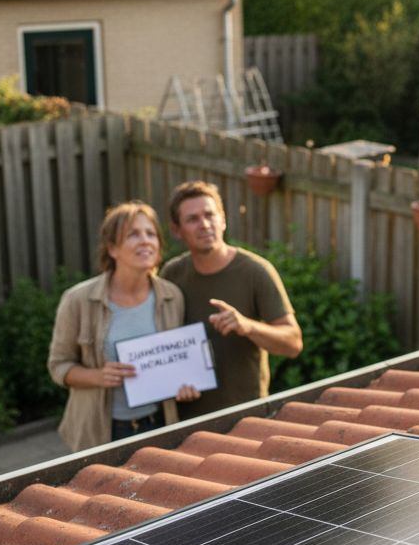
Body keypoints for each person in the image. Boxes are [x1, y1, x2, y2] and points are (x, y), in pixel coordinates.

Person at [48, 201, 200, 452]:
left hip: (159, 423)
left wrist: (184, 383)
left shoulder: (172, 296)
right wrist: (98, 376)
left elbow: (175, 360)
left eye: (150, 234)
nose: (145, 241)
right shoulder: (78, 300)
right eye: (133, 234)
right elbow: (58, 366)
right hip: (102, 431)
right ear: (112, 249)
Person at [161, 181, 302, 418]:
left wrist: (248, 326)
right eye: (193, 219)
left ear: (223, 220)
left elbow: (293, 343)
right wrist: (173, 381)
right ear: (177, 230)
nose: (205, 224)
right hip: (187, 419)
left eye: (210, 215)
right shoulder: (171, 274)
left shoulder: (256, 271)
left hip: (246, 416)